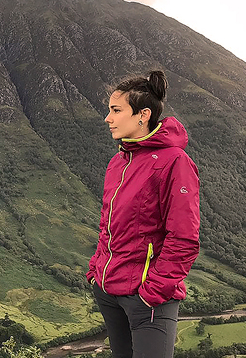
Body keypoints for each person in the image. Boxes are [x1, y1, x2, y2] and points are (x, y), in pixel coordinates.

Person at [86, 70, 200, 358]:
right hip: (109, 291)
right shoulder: (119, 160)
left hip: (147, 300)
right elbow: (108, 223)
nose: (107, 118)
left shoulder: (175, 162)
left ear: (143, 114)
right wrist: (95, 270)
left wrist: (153, 291)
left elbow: (184, 238)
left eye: (115, 110)